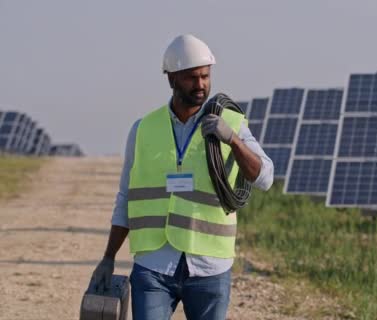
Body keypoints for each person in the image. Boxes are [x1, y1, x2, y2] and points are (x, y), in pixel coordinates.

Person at [88, 34, 274, 320]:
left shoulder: (232, 124)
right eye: (191, 77)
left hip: (210, 267)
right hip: (154, 265)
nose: (200, 84)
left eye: (205, 76)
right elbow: (126, 197)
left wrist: (233, 141)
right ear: (171, 79)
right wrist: (108, 257)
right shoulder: (143, 130)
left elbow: (265, 177)